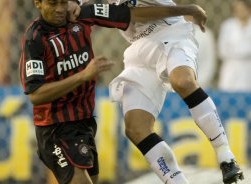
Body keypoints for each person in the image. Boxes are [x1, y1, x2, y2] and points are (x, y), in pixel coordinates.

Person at [18, 0, 208, 183]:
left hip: (84, 123)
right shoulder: (35, 39)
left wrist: (185, 9)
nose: (60, 9)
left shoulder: (81, 14)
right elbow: (36, 94)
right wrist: (83, 76)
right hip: (55, 128)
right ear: (38, 3)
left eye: (63, 2)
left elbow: (132, 15)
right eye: (52, 3)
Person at [108, 0, 244, 183]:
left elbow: (132, 14)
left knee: (183, 81)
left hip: (170, 32)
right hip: (138, 48)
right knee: (136, 129)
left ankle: (226, 156)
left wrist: (186, 10)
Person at [218, 0, 251, 92]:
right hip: (231, 68)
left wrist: (235, 50)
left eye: (243, 9)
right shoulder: (227, 25)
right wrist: (244, 51)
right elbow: (223, 51)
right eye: (237, 9)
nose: (240, 12)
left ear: (248, 9)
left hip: (248, 68)